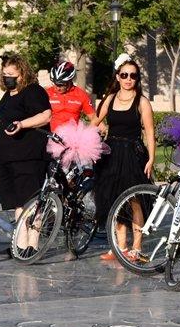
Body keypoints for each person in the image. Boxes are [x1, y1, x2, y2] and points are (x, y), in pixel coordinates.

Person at [94, 54, 156, 262]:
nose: (129, 79)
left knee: (135, 200)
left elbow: (149, 132)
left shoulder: (142, 102)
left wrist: (151, 159)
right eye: (124, 75)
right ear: (118, 77)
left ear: (137, 79)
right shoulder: (110, 99)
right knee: (114, 200)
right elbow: (95, 121)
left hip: (133, 154)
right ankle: (119, 247)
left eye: (133, 75)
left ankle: (136, 248)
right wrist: (81, 140)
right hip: (110, 153)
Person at [0, 53, 51, 256]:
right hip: (7, 158)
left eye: (12, 75)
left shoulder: (33, 91)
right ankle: (21, 243)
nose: (7, 78)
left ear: (22, 73)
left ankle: (33, 244)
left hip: (28, 157)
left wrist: (22, 124)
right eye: (5, 74)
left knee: (31, 202)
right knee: (17, 203)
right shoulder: (8, 95)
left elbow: (45, 115)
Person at [46, 60, 97, 131]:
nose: (57, 88)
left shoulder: (81, 94)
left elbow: (94, 118)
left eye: (61, 85)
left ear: (70, 81)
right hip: (50, 136)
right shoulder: (46, 94)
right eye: (55, 84)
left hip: (72, 137)